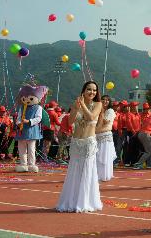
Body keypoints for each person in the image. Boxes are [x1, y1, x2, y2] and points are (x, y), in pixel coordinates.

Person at [56, 81, 102, 212]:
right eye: (89, 89)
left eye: (94, 90)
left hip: (88, 142)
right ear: (83, 91)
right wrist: (76, 108)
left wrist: (82, 105)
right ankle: (72, 200)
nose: (92, 92)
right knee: (74, 171)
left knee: (87, 171)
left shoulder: (98, 105)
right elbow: (70, 122)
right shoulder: (76, 104)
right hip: (76, 141)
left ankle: (85, 202)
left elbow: (91, 117)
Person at [95, 94, 116, 182]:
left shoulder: (110, 111)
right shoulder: (99, 110)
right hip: (97, 136)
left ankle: (104, 175)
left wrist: (101, 112)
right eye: (103, 99)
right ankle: (97, 174)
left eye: (107, 100)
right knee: (97, 156)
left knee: (103, 156)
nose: (105, 101)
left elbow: (106, 121)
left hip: (105, 136)